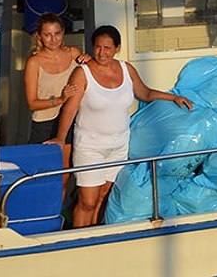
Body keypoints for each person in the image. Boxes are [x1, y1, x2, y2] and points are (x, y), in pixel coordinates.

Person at [46, 25, 193, 228]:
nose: (101, 52)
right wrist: (61, 138)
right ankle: (78, 238)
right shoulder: (82, 73)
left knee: (103, 198)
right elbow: (69, 110)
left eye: (107, 48)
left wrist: (173, 97)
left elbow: (146, 93)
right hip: (90, 147)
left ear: (117, 48)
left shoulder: (126, 69)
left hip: (118, 146)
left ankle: (96, 235)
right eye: (97, 47)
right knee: (87, 201)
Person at [23, 12, 88, 200]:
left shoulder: (74, 53)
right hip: (44, 124)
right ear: (39, 36)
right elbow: (31, 103)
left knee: (65, 176)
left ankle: (57, 215)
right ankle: (40, 213)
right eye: (48, 35)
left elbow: (92, 75)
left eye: (57, 33)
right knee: (42, 175)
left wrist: (89, 59)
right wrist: (60, 99)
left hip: (70, 120)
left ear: (63, 33)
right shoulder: (34, 62)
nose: (53, 39)